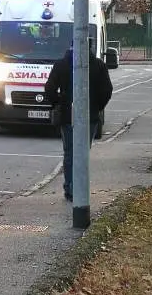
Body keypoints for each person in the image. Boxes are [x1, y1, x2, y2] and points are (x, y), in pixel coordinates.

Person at [44, 39, 113, 202]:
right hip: (90, 116)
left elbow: (49, 89)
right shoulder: (98, 65)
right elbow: (107, 90)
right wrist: (97, 106)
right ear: (90, 47)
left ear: (71, 46)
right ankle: (80, 187)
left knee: (69, 152)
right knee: (83, 152)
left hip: (68, 116)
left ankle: (70, 186)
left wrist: (59, 102)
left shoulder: (61, 65)